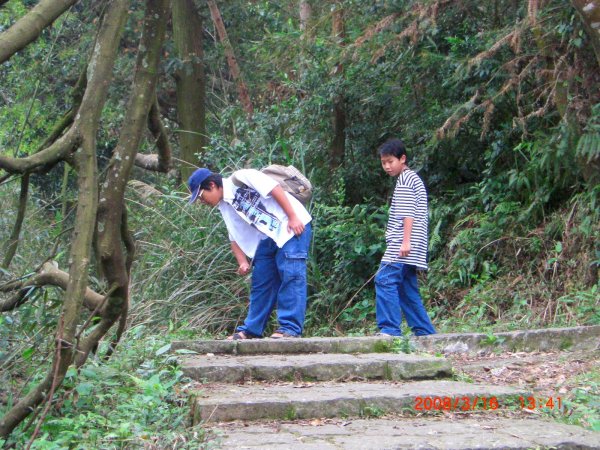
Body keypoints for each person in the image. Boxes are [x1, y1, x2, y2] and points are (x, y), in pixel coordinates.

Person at [187, 167, 312, 339]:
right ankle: (251, 330)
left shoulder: (242, 177)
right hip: (268, 237)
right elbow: (234, 234)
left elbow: (274, 188)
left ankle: (289, 329)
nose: (202, 202)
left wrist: (292, 217)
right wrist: (242, 261)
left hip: (290, 226)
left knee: (291, 275)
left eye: (201, 196)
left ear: (212, 185)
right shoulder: (224, 205)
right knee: (261, 282)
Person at [375, 138, 436, 336]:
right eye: (384, 162)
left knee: (384, 279)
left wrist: (405, 241)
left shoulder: (406, 179)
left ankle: (390, 331)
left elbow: (407, 213)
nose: (387, 166)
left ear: (402, 159)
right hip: (412, 244)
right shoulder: (411, 178)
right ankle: (425, 333)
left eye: (390, 161)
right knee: (406, 291)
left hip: (404, 243)